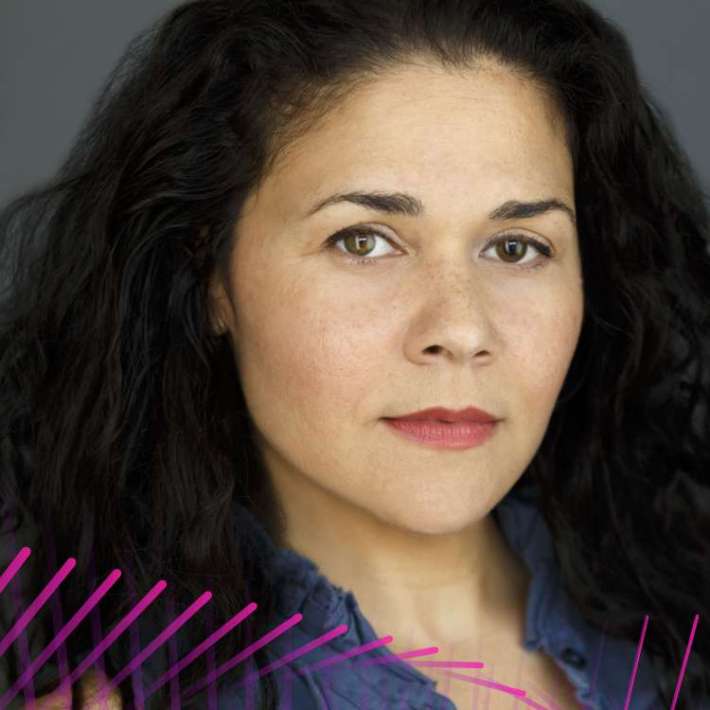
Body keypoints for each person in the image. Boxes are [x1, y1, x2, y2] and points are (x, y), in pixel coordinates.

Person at [1, 0, 709, 708]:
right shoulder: (117, 683)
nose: (461, 329)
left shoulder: (681, 622)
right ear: (212, 272)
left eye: (516, 247)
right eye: (363, 241)